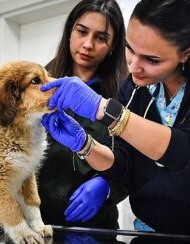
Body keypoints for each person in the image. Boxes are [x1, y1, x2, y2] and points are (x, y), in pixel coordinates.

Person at [41, 0, 190, 235]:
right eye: (129, 48)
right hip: (147, 231)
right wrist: (84, 145)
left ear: (187, 52)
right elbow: (124, 164)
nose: (133, 67)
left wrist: (103, 108)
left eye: (151, 60)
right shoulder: (134, 89)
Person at [38, 0, 128, 229]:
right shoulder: (38, 83)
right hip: (37, 222)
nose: (88, 44)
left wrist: (107, 186)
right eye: (82, 31)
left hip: (97, 228)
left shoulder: (125, 93)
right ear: (70, 31)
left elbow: (136, 161)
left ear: (113, 45)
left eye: (101, 37)